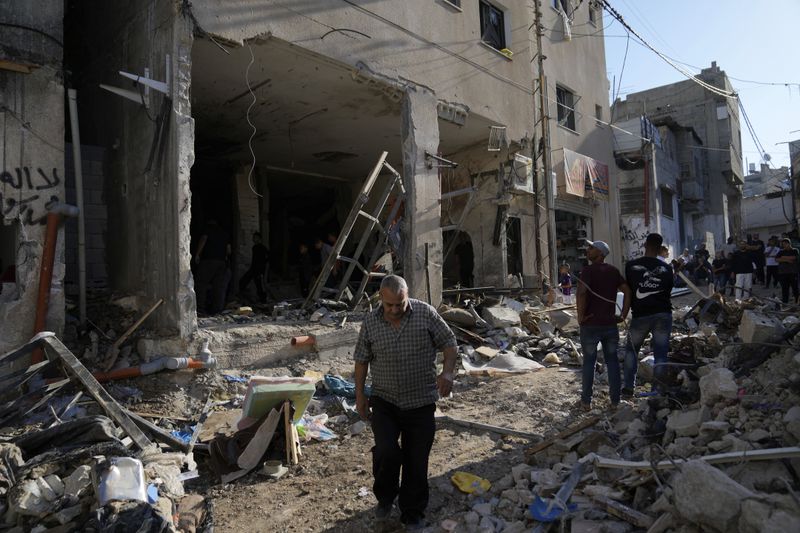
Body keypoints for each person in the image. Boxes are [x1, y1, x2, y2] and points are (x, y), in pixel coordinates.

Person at [354, 275, 457, 529]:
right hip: (385, 401)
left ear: (406, 297)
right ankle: (386, 497)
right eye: (389, 305)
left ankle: (412, 512)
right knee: (387, 450)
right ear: (381, 299)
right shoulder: (370, 322)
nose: (395, 310)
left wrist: (447, 373)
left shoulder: (425, 314)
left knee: (416, 458)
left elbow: (449, 343)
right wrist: (360, 395)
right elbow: (361, 360)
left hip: (420, 402)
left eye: (399, 304)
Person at [576, 241, 631, 410]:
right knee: (612, 362)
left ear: (600, 253)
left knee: (589, 363)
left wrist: (580, 317)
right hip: (609, 325)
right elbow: (627, 290)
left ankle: (586, 401)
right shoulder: (613, 271)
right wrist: (623, 314)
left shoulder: (588, 271)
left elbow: (581, 293)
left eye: (591, 248)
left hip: (590, 324)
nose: (588, 250)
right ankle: (615, 401)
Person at [623, 233, 674, 396]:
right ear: (660, 249)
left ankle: (628, 388)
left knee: (631, 351)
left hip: (640, 316)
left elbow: (629, 292)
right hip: (663, 314)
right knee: (660, 353)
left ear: (645, 245)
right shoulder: (667, 268)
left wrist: (624, 313)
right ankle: (657, 390)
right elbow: (668, 290)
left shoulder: (631, 266)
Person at [193, 220, 231, 314]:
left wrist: (197, 254)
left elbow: (203, 240)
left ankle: (200, 309)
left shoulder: (207, 230)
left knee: (201, 284)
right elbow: (229, 251)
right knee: (219, 287)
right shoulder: (224, 233)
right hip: (221, 262)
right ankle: (217, 310)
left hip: (208, 260)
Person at [238, 232, 269, 303]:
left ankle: (263, 302)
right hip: (253, 269)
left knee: (260, 287)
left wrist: (262, 272)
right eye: (253, 237)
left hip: (259, 270)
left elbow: (266, 260)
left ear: (259, 238)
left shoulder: (262, 248)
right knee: (243, 281)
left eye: (255, 237)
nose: (253, 239)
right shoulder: (254, 247)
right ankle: (244, 298)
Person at [776, 238, 799, 304]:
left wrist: (783, 257)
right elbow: (777, 259)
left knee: (795, 289)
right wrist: (787, 260)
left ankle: (797, 302)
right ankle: (785, 303)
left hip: (793, 272)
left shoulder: (794, 250)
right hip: (783, 273)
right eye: (783, 244)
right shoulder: (781, 251)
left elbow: (794, 257)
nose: (784, 245)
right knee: (784, 289)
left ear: (789, 243)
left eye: (785, 244)